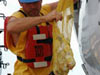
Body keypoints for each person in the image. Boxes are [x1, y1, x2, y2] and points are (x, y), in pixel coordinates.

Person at [5, 0, 77, 75]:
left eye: (35, 2)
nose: (32, 6)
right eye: (28, 3)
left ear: (41, 1)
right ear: (20, 3)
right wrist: (45, 18)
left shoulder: (45, 10)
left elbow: (66, 2)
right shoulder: (18, 16)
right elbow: (10, 27)